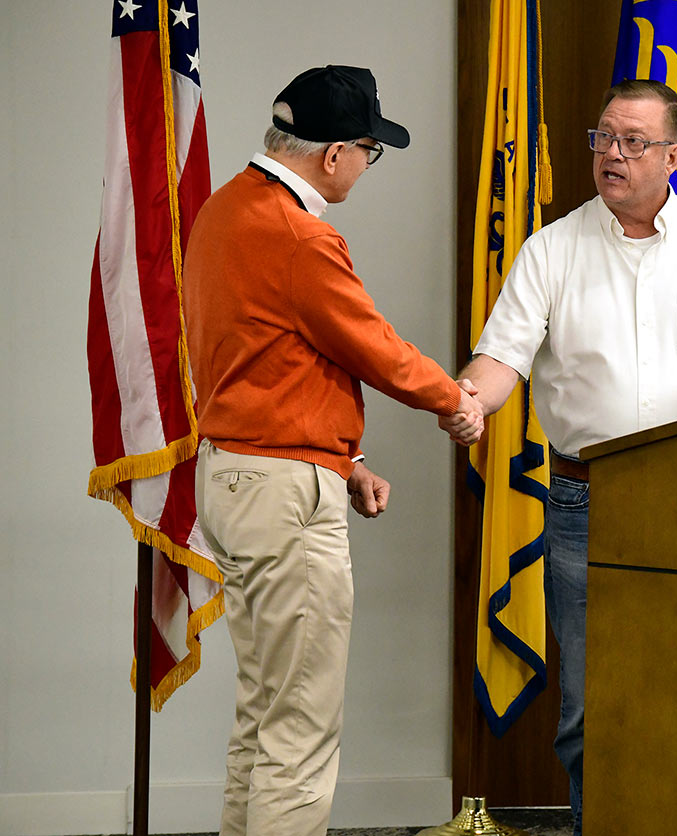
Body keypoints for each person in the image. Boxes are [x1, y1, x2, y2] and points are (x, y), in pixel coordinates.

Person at [442, 79, 677, 835]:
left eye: (633, 142)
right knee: (591, 697)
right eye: (603, 137)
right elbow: (500, 359)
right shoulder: (553, 248)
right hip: (588, 501)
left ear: (674, 156)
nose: (613, 154)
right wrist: (468, 400)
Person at [184, 65, 483, 836]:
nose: (365, 165)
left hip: (237, 474)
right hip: (282, 498)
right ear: (333, 155)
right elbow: (371, 346)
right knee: (300, 732)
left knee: (264, 715)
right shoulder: (299, 233)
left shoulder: (222, 211)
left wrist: (341, 460)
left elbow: (259, 358)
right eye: (367, 150)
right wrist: (458, 402)